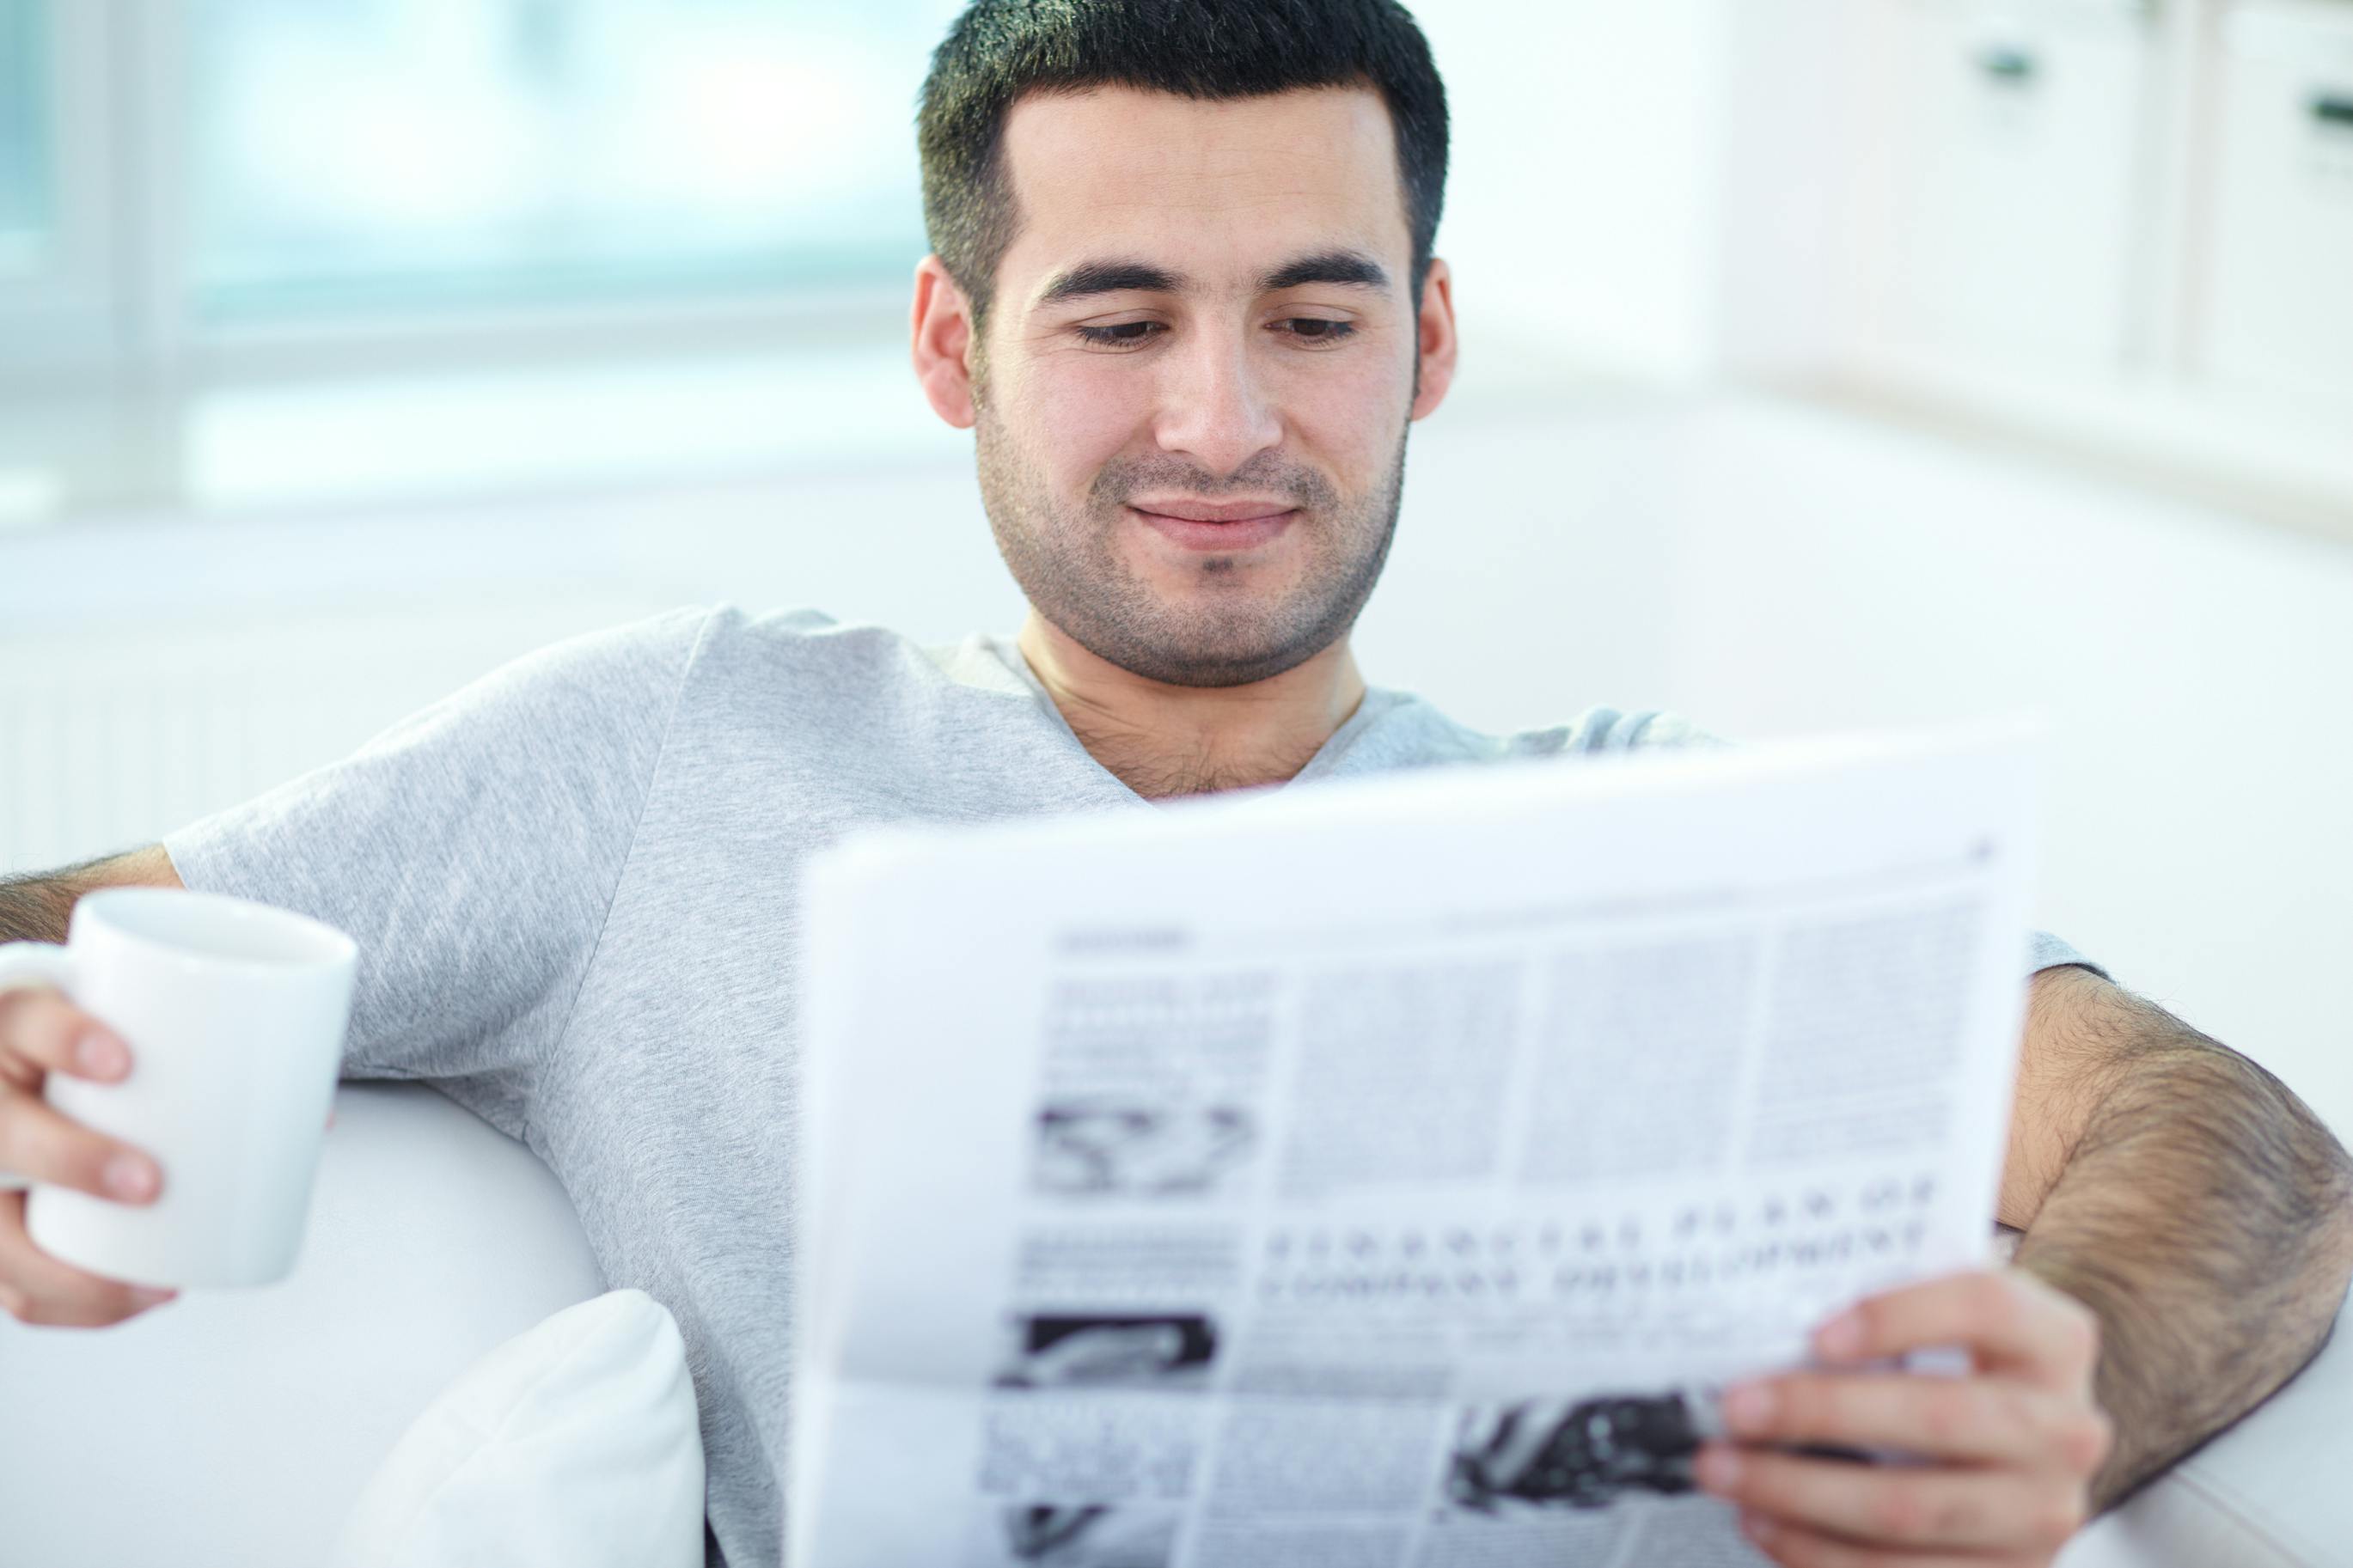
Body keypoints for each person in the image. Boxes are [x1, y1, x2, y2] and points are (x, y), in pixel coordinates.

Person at [1, 4, 2347, 1565]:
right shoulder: (678, 751)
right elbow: (61, 935)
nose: (1221, 425)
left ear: (1424, 343)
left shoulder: (1640, 828)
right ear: (954, 348)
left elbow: (2230, 1136)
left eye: (1313, 318)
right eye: (1116, 319)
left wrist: (2089, 1372)